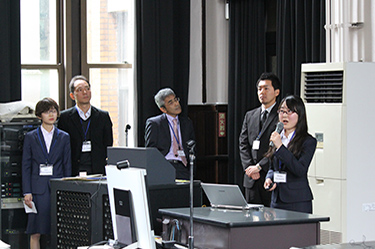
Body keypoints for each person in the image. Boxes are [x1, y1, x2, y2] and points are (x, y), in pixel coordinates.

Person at [22, 97, 72, 249]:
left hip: (57, 188)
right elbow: (26, 166)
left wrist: (66, 190)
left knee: (58, 231)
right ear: (39, 115)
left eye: (54, 111)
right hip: (37, 190)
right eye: (46, 112)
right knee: (35, 232)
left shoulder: (64, 137)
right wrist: (27, 191)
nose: (51, 115)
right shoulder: (31, 137)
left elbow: (66, 165)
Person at [264, 95, 317, 213]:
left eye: (290, 111)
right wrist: (269, 177)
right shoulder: (276, 136)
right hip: (277, 200)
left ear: (300, 115)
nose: (284, 115)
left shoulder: (308, 141)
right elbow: (272, 167)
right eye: (282, 111)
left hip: (297, 201)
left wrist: (280, 147)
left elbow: (300, 170)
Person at [239, 72, 281, 206]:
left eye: (266, 88)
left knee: (270, 218)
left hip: (269, 176)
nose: (262, 92)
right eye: (259, 89)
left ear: (276, 92)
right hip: (251, 178)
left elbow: (278, 146)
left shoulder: (281, 116)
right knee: (251, 219)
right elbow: (243, 143)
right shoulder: (250, 115)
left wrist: (260, 167)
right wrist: (249, 168)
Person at [58, 75, 113, 176]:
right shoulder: (64, 117)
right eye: (80, 89)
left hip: (97, 169)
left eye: (87, 88)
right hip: (73, 169)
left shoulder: (103, 116)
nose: (85, 92)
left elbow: (108, 144)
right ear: (72, 95)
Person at [145, 88, 195, 180]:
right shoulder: (155, 123)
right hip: (164, 165)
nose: (176, 104)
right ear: (163, 109)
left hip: (183, 166)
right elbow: (151, 151)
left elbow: (192, 145)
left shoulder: (187, 123)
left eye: (176, 100)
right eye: (171, 102)